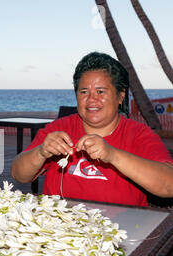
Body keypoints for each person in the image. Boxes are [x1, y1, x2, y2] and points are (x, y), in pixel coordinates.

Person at [11, 51, 173, 207]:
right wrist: (41, 152)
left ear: (120, 96)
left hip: (122, 229)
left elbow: (169, 186)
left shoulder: (139, 134)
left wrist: (112, 155)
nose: (91, 99)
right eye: (83, 92)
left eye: (100, 91)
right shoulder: (59, 128)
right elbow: (19, 174)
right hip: (59, 227)